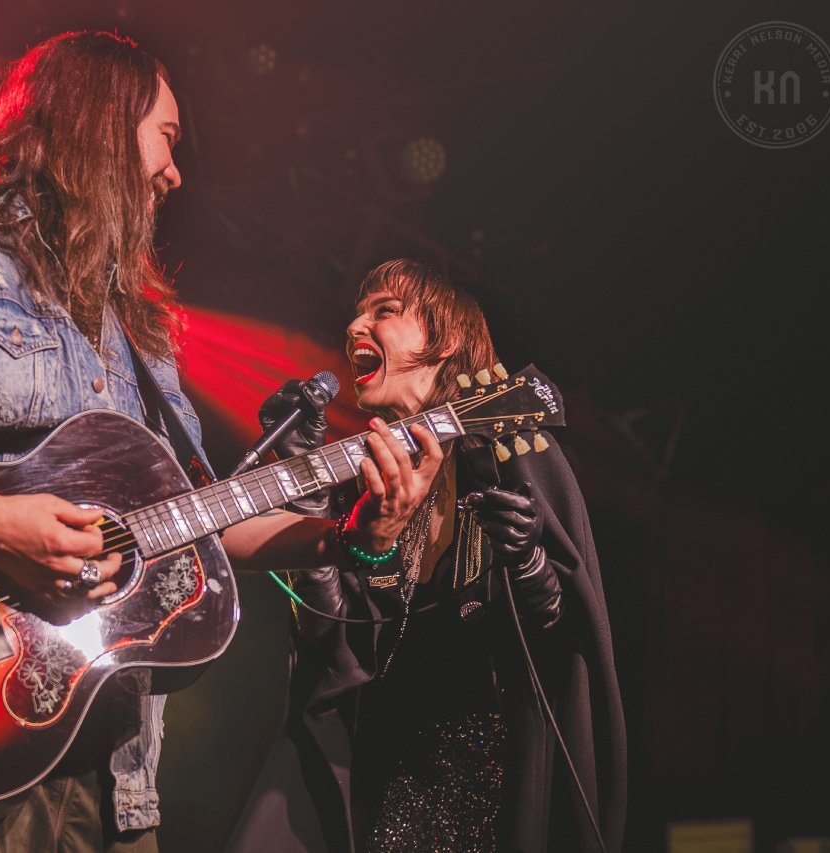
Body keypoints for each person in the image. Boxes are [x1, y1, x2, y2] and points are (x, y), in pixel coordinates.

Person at [0, 31, 440, 853]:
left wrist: (348, 537)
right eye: (166, 139)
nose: (175, 173)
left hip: (113, 779)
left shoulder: (134, 330)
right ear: (102, 122)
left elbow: (197, 519)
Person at [228, 258, 627, 853]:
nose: (356, 325)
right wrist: (311, 502)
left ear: (449, 343)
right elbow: (331, 645)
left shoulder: (515, 456)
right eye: (359, 313)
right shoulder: (363, 486)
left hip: (485, 799)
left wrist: (530, 564)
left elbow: (569, 645)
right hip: (374, 787)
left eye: (384, 311)